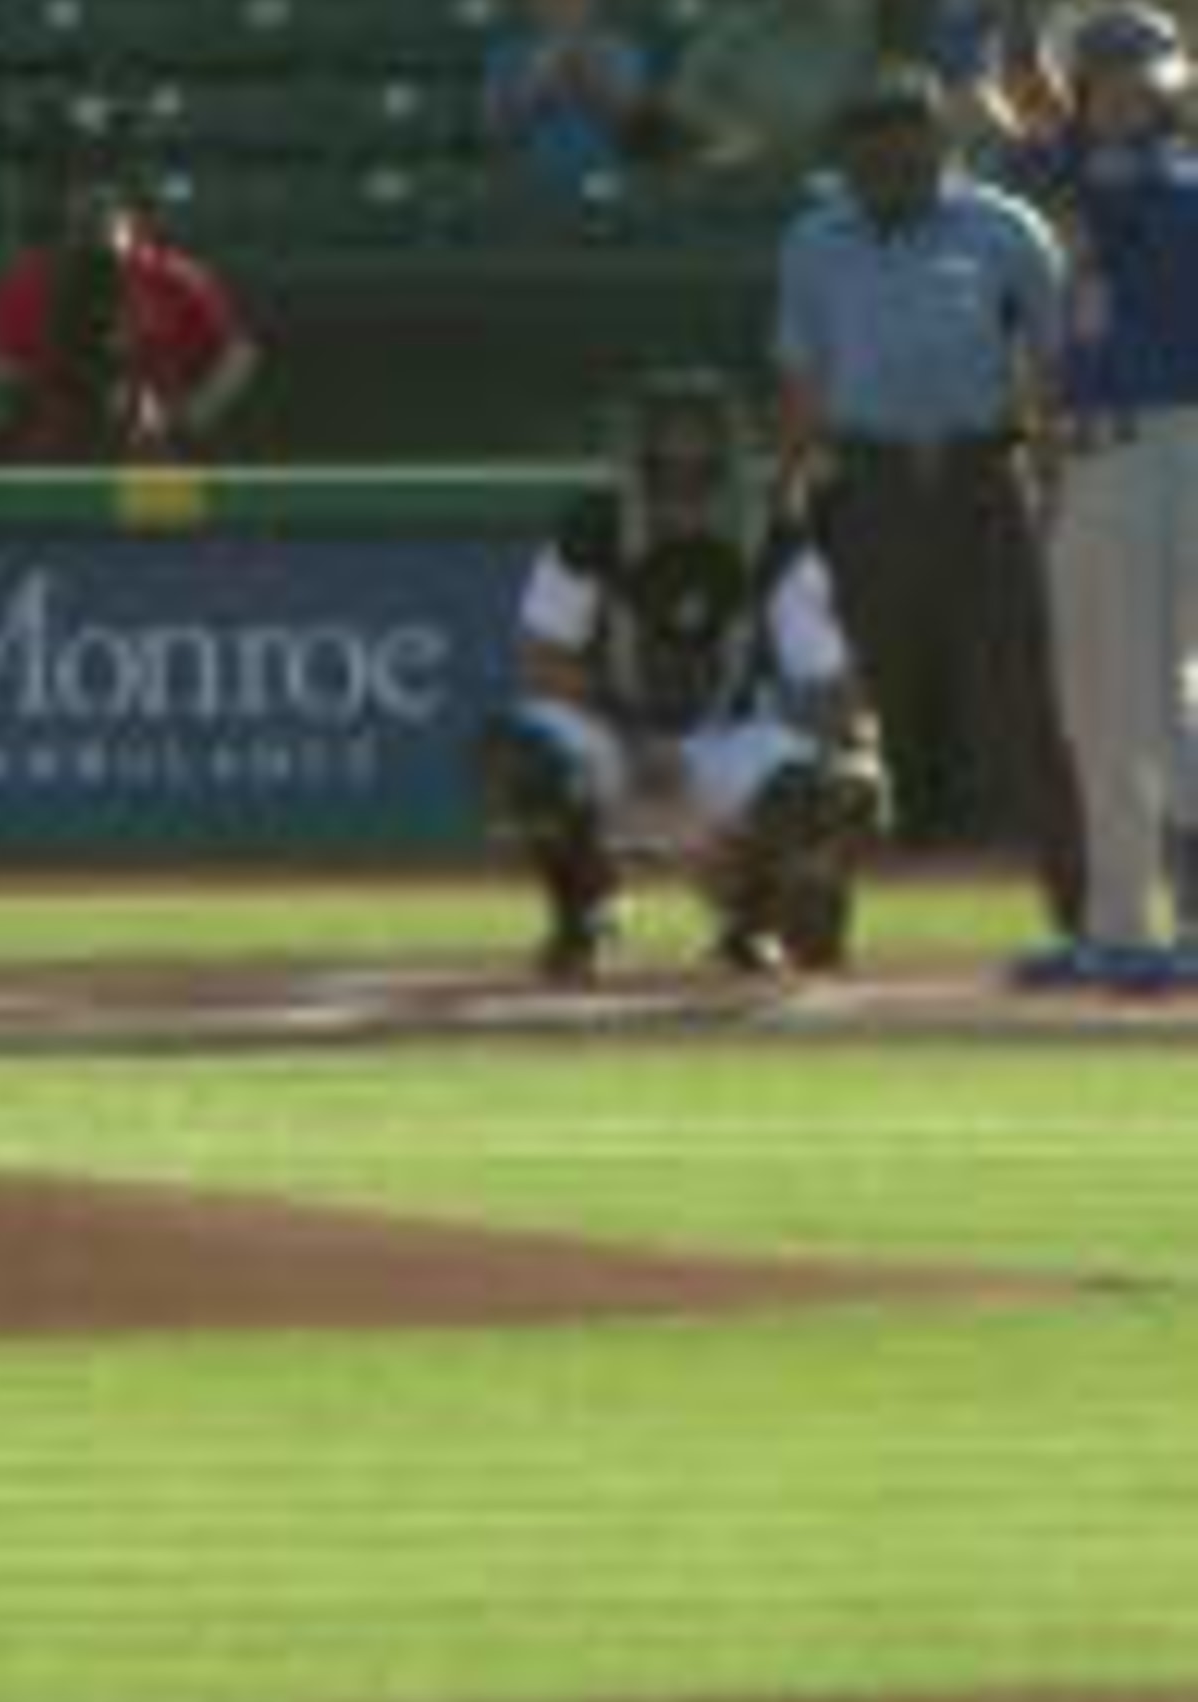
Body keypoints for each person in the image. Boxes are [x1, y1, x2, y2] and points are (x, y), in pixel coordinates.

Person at [774, 66, 1083, 937]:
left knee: (1031, 705)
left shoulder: (1004, 229)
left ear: (939, 147)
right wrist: (786, 493)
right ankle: (815, 916)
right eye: (866, 157)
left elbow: (1057, 376)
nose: (884, 174)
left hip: (985, 484)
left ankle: (1085, 913)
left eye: (902, 153)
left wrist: (1062, 492)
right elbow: (801, 375)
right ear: (845, 158)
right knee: (847, 704)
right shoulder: (813, 239)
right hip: (866, 490)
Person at [479, 370, 889, 984]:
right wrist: (633, 734)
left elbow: (828, 678)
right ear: (638, 460)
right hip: (611, 738)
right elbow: (542, 659)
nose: (683, 476)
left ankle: (750, 921)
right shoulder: (592, 527)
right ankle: (585, 911)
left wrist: (859, 759)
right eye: (668, 458)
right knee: (517, 755)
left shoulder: (774, 539)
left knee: (829, 795)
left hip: (724, 740)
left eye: (699, 458)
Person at [1012, 4, 1198, 986]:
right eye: (1106, 74)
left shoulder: (1172, 186)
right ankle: (1118, 927)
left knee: (1161, 702)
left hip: (1168, 448)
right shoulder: (1096, 175)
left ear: (1171, 89)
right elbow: (1035, 124)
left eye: (1138, 75)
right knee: (1093, 712)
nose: (1120, 89)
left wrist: (1023, 40)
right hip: (1093, 461)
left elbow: (1049, 136)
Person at [0, 181, 261, 466]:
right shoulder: (29, 285)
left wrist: (187, 421)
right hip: (61, 454)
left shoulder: (177, 278)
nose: (96, 223)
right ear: (67, 223)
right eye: (84, 216)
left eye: (107, 212)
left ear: (133, 222)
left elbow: (239, 355)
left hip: (153, 456)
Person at [661, 0, 883, 169]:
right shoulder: (734, 28)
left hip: (824, 168)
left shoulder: (852, 29)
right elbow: (684, 95)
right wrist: (737, 137)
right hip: (742, 170)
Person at [484, 0, 656, 193]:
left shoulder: (620, 51)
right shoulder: (509, 56)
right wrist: (539, 79)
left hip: (607, 173)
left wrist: (587, 74)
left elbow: (635, 123)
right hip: (533, 176)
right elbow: (499, 126)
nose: (562, 8)